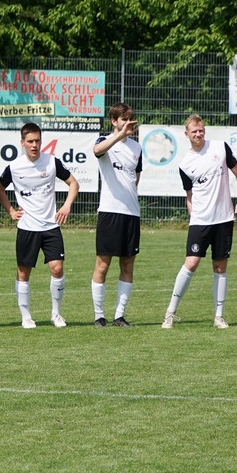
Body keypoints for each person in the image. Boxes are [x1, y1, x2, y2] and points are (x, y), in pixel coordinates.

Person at [162, 115, 237, 329]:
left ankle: (219, 316)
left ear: (204, 130)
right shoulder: (185, 164)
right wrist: (193, 215)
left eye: (201, 130)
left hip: (224, 219)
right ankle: (170, 313)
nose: (198, 134)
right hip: (200, 220)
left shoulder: (220, 147)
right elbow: (189, 196)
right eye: (194, 131)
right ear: (187, 134)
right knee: (191, 263)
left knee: (220, 267)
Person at [0, 122, 79, 328]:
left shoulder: (51, 162)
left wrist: (67, 205)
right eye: (30, 141)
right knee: (23, 273)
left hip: (50, 226)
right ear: (22, 142)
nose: (34, 145)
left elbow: (73, 183)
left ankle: (56, 314)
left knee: (57, 268)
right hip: (27, 227)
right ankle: (26, 317)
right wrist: (10, 210)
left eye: (38, 141)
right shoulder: (14, 167)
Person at [90, 103, 142, 328]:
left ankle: (119, 316)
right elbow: (97, 151)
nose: (128, 123)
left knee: (128, 265)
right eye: (123, 119)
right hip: (110, 212)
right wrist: (119, 135)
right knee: (102, 265)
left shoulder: (137, 147)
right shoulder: (104, 141)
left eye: (130, 119)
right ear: (114, 121)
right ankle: (99, 315)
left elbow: (135, 177)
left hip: (131, 214)